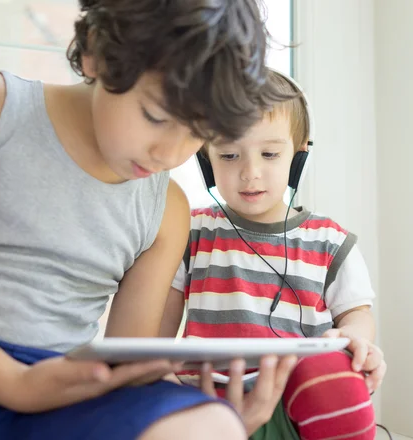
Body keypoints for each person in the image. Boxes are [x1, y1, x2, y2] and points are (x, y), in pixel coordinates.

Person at [0, 1, 299, 439]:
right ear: (96, 51)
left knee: (209, 423)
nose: (169, 154)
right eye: (155, 117)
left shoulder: (167, 210)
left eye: (199, 133)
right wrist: (14, 384)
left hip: (60, 392)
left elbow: (127, 363)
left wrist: (225, 414)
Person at [162, 70, 388, 440]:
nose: (250, 173)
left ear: (298, 159)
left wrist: (351, 338)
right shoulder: (189, 231)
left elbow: (357, 316)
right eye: (229, 155)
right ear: (206, 162)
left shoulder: (331, 241)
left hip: (296, 404)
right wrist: (158, 373)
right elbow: (156, 329)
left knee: (334, 371)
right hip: (203, 401)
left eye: (269, 154)